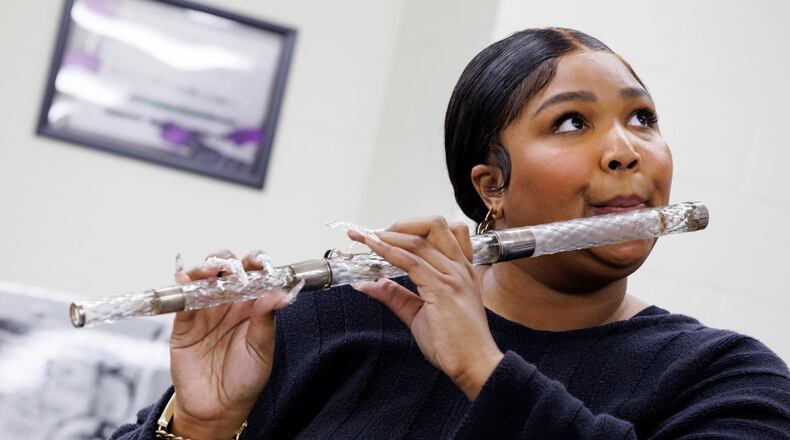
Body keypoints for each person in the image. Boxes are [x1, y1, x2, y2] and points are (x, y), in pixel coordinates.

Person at [111, 28, 790, 439]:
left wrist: (484, 369)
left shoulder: (728, 380)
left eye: (642, 118)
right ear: (490, 186)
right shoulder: (329, 321)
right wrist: (203, 426)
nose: (625, 150)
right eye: (572, 123)